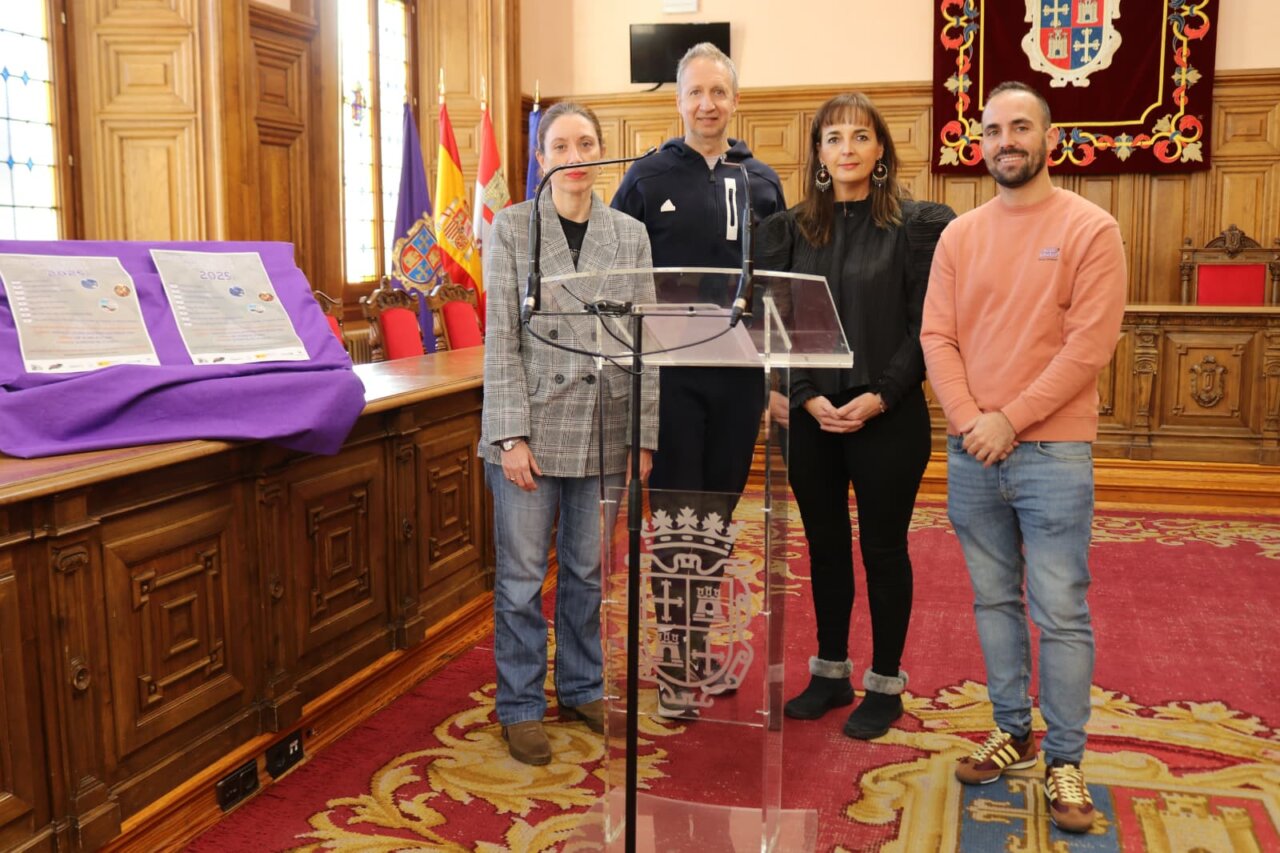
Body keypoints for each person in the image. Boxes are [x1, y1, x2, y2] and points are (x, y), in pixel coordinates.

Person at [920, 80, 1126, 834]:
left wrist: (1010, 417)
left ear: (1049, 139)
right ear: (981, 143)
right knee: (992, 600)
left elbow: (1090, 347)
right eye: (993, 129)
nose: (1006, 140)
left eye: (1020, 127)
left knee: (1061, 609)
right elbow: (936, 336)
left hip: (1053, 453)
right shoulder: (958, 235)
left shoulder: (1090, 228)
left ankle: (1067, 757)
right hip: (972, 451)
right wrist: (974, 419)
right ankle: (1014, 729)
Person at [757, 93, 954, 740]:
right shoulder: (786, 229)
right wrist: (807, 394)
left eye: (860, 137)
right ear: (817, 154)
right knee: (825, 545)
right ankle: (831, 670)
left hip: (887, 415)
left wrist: (881, 395)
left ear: (880, 151)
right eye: (833, 137)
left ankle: (886, 682)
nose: (846, 148)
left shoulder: (919, 224)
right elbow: (774, 322)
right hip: (809, 416)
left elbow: (926, 325)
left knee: (883, 547)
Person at [610, 42, 786, 716]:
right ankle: (677, 665)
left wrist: (772, 380)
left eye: (719, 92)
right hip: (671, 380)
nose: (707, 104)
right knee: (677, 519)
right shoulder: (645, 179)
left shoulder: (762, 181)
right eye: (695, 93)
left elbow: (773, 288)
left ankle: (698, 641)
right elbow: (622, 277)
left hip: (739, 379)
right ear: (679, 100)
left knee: (715, 520)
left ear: (735, 100)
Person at [480, 101, 658, 766]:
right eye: (562, 144)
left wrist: (643, 433)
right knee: (524, 579)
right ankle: (521, 704)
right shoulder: (511, 229)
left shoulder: (631, 235)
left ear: (602, 150)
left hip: (605, 427)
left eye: (588, 141)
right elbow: (500, 340)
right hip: (529, 430)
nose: (576, 154)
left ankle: (581, 687)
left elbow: (646, 343)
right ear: (542, 157)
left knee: (587, 574)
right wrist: (509, 437)